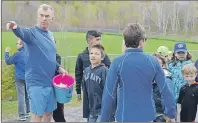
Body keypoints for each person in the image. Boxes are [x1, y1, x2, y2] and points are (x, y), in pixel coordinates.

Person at [100, 23, 176, 122]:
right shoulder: (153, 61)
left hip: (124, 116)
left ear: (125, 41)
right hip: (147, 116)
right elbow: (165, 89)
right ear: (141, 41)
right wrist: (171, 112)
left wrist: (104, 119)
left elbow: (109, 94)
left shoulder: (117, 62)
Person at [6, 4, 67, 122]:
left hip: (50, 82)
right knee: (37, 115)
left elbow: (49, 57)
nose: (44, 18)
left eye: (47, 16)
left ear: (52, 18)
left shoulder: (50, 35)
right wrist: (15, 27)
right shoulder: (31, 33)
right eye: (41, 15)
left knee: (48, 114)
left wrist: (59, 68)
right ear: (37, 17)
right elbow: (22, 33)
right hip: (36, 83)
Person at [75, 30, 111, 120]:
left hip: (100, 97)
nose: (99, 42)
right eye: (97, 40)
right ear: (89, 41)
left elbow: (110, 71)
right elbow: (78, 74)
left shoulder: (104, 56)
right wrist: (78, 91)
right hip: (89, 95)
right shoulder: (81, 56)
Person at [4, 39, 30, 121]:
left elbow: (8, 61)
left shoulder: (17, 54)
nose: (16, 45)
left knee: (21, 96)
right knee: (27, 96)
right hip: (28, 77)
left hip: (19, 78)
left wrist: (6, 52)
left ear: (22, 45)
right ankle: (28, 112)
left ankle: (22, 115)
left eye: (17, 43)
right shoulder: (29, 53)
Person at [82, 44, 108, 122]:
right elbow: (85, 91)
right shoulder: (86, 71)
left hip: (102, 110)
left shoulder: (104, 71)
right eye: (91, 53)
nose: (93, 56)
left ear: (102, 57)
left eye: (97, 54)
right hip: (91, 110)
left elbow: (108, 92)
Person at [152, 54, 175, 122]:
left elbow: (169, 98)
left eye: (158, 63)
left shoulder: (166, 80)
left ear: (162, 65)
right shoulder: (147, 78)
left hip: (160, 115)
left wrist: (168, 114)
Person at [53, 53, 66, 122]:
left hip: (56, 87)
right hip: (45, 86)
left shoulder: (57, 57)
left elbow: (57, 69)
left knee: (58, 111)